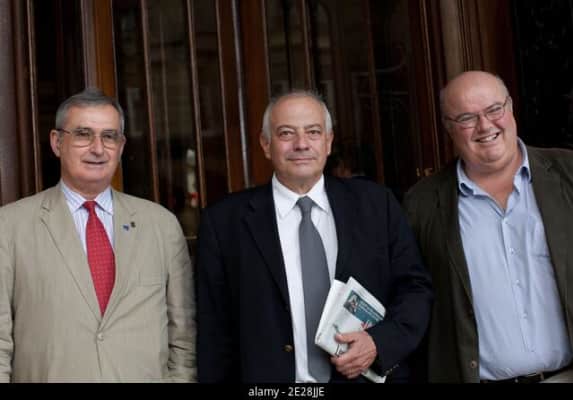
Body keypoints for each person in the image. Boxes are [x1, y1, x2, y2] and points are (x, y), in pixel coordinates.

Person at [196, 90, 432, 383]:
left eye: (313, 132)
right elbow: (213, 330)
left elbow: (415, 288)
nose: (301, 144)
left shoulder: (375, 204)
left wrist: (379, 343)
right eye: (286, 133)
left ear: (328, 142)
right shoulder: (224, 222)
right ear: (266, 144)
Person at [0, 88, 196, 382]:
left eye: (109, 136)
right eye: (83, 134)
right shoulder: (10, 226)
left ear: (121, 146)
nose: (98, 148)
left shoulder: (161, 225)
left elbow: (183, 337)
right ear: (57, 142)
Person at [404, 71, 573, 383]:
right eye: (467, 118)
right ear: (448, 127)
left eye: (494, 109)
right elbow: (412, 298)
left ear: (510, 108)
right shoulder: (422, 204)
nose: (485, 126)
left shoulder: (568, 172)